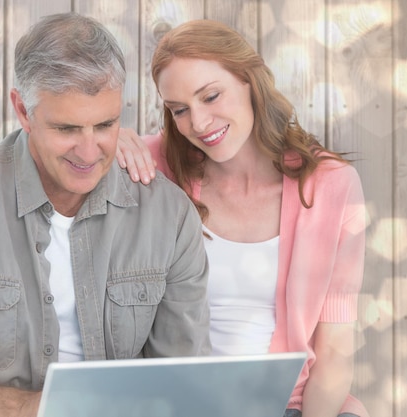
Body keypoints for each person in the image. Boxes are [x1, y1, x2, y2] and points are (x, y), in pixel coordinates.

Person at [0, 13, 211, 417]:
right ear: (23, 111)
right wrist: (37, 409)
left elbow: (184, 376)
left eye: (105, 125)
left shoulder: (168, 217)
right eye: (66, 129)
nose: (88, 151)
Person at [117, 19, 368, 417]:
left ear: (251, 81)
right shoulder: (155, 169)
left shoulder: (331, 187)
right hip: (181, 403)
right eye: (180, 109)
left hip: (291, 405)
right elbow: (65, 147)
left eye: (211, 96)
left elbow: (335, 350)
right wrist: (111, 138)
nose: (198, 124)